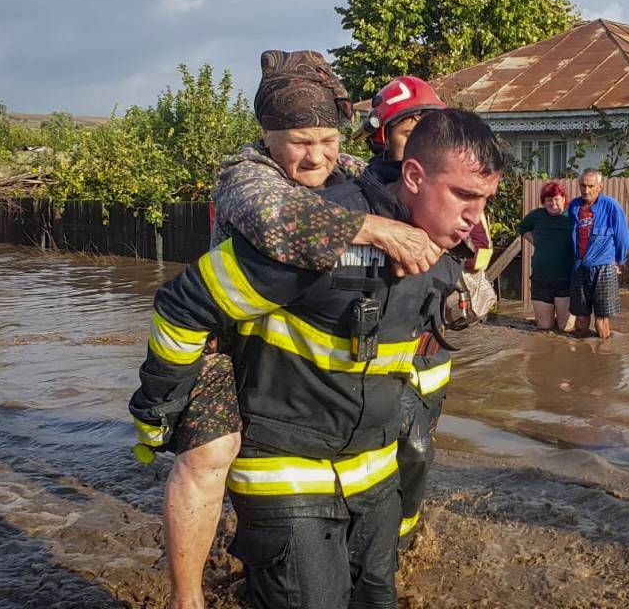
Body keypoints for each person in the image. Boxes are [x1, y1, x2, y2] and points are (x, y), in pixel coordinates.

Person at [131, 108, 505, 609]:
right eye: (464, 195)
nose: (475, 219)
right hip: (286, 471)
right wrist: (160, 407)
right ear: (414, 176)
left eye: (484, 201)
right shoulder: (319, 235)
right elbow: (184, 304)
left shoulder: (442, 244)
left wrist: (462, 305)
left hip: (373, 472)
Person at [360, 76, 493, 547]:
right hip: (378, 352)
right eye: (406, 127)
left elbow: (477, 253)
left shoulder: (458, 194)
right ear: (383, 136)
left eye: (427, 124)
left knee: (418, 450)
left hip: (430, 351)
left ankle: (402, 531)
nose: (418, 134)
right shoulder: (362, 194)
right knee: (399, 449)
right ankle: (383, 539)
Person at [568, 168, 629, 340]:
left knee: (601, 322)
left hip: (604, 268)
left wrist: (618, 262)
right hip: (580, 267)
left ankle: (603, 359)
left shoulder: (611, 206)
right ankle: (580, 358)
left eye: (591, 186)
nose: (586, 190)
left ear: (600, 187)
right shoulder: (574, 206)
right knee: (580, 319)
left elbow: (623, 238)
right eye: (582, 185)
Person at [518, 181, 574, 331]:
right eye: (549, 200)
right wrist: (537, 242)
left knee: (566, 328)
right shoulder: (537, 215)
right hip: (541, 279)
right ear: (544, 201)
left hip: (566, 280)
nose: (553, 203)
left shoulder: (572, 215)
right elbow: (523, 228)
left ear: (563, 198)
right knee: (544, 328)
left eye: (556, 198)